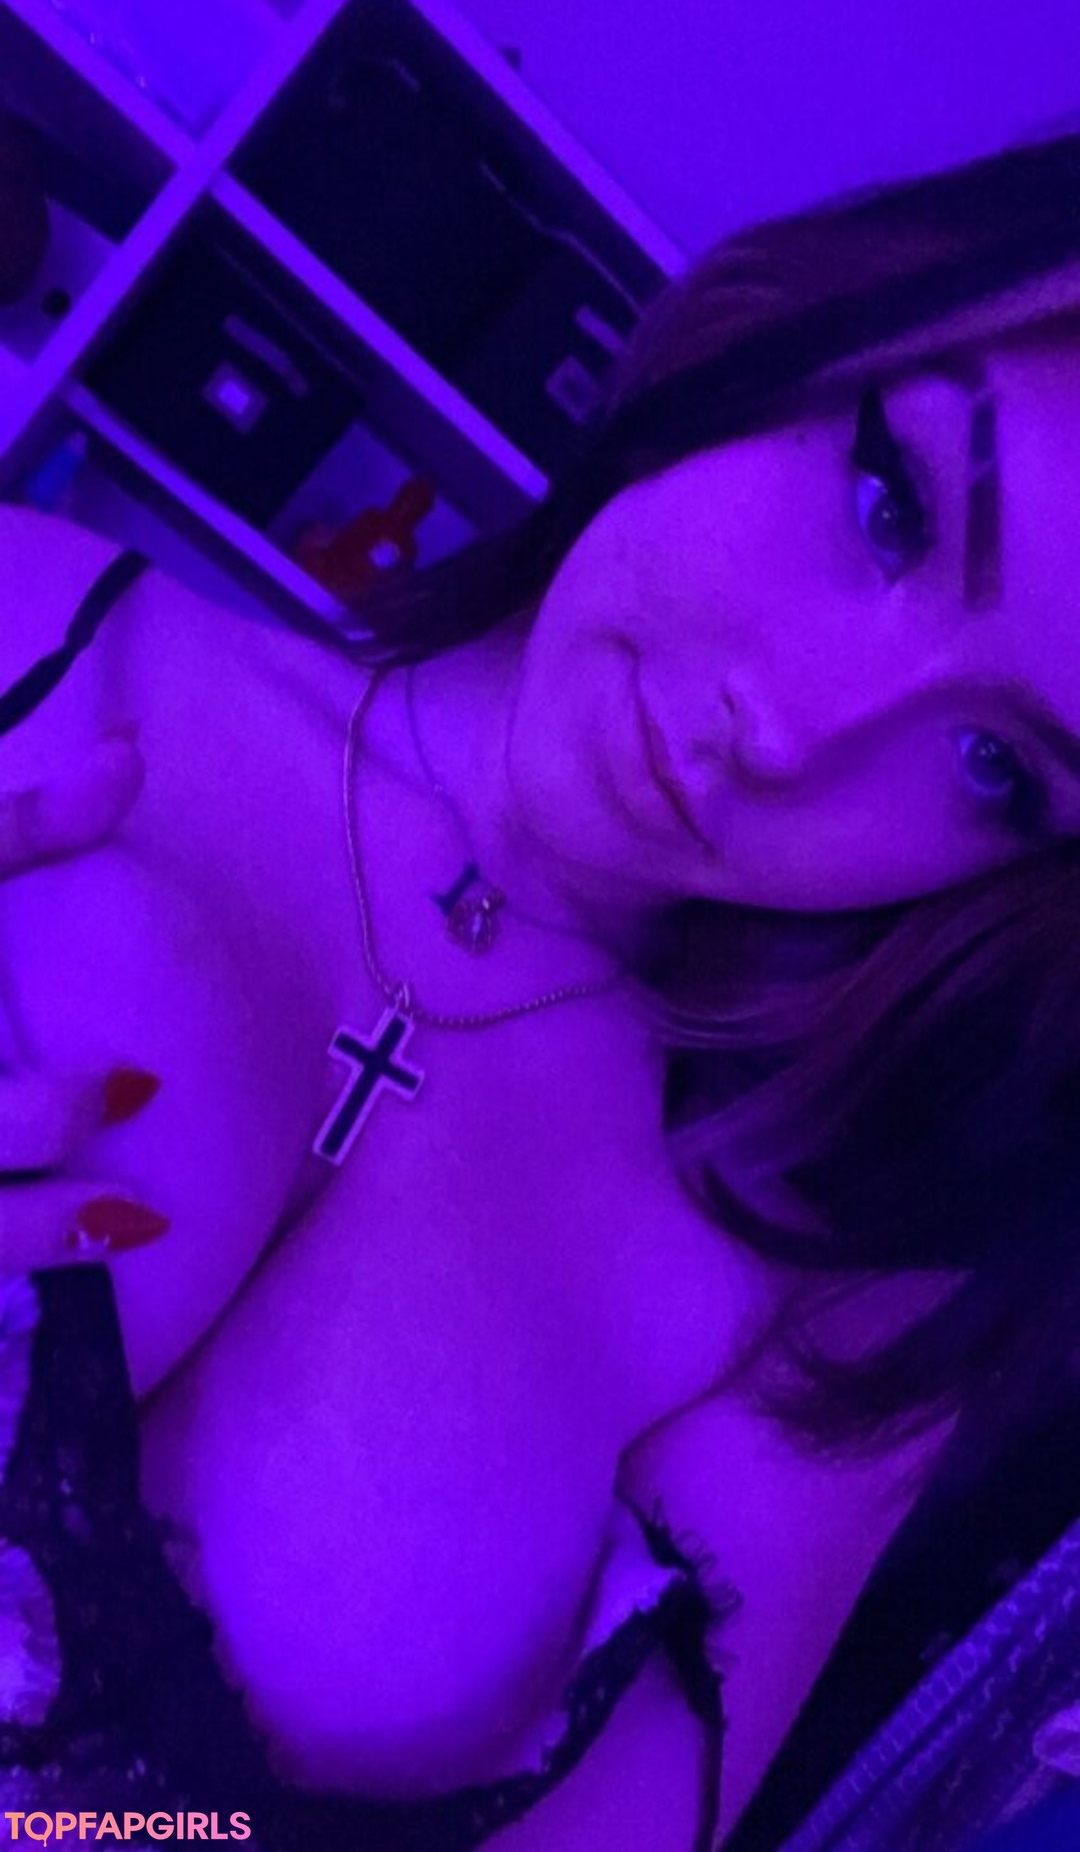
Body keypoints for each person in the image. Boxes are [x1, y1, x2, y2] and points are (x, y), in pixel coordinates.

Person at [3, 130, 1080, 1849]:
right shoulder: (35, 626)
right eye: (890, 504)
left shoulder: (809, 1319)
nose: (793, 734)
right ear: (803, 325)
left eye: (993, 767)